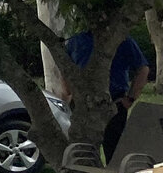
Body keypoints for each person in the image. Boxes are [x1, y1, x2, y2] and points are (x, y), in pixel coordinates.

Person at [65, 30, 154, 163]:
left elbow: (143, 69)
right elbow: (65, 68)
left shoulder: (123, 40)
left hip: (114, 103)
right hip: (82, 105)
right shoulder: (76, 41)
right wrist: (69, 93)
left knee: (114, 154)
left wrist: (130, 98)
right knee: (82, 151)